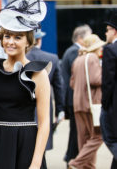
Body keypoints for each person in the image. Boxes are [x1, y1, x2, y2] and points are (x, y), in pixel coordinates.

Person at [0, 0, 51, 169]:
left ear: (28, 42)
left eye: (17, 37)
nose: (10, 42)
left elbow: (44, 124)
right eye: (7, 36)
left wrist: (35, 163)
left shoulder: (37, 73)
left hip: (25, 144)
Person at [68, 34, 105, 169]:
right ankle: (76, 163)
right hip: (91, 103)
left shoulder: (78, 60)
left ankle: (88, 167)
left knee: (83, 138)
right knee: (98, 136)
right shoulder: (93, 58)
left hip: (78, 103)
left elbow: (72, 83)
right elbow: (96, 79)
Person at [26, 28, 65, 150]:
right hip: (44, 108)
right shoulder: (52, 58)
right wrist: (60, 110)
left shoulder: (18, 59)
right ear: (39, 40)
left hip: (21, 110)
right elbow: (59, 87)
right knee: (41, 148)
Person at [62, 24, 92, 165]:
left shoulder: (71, 51)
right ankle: (72, 159)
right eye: (88, 36)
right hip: (75, 98)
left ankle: (71, 158)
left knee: (76, 132)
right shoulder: (75, 52)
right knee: (77, 132)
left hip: (73, 98)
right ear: (80, 38)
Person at [101, 14, 117, 168]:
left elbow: (107, 82)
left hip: (113, 108)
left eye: (107, 30)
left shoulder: (111, 50)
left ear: (115, 31)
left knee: (110, 139)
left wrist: (104, 105)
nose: (106, 33)